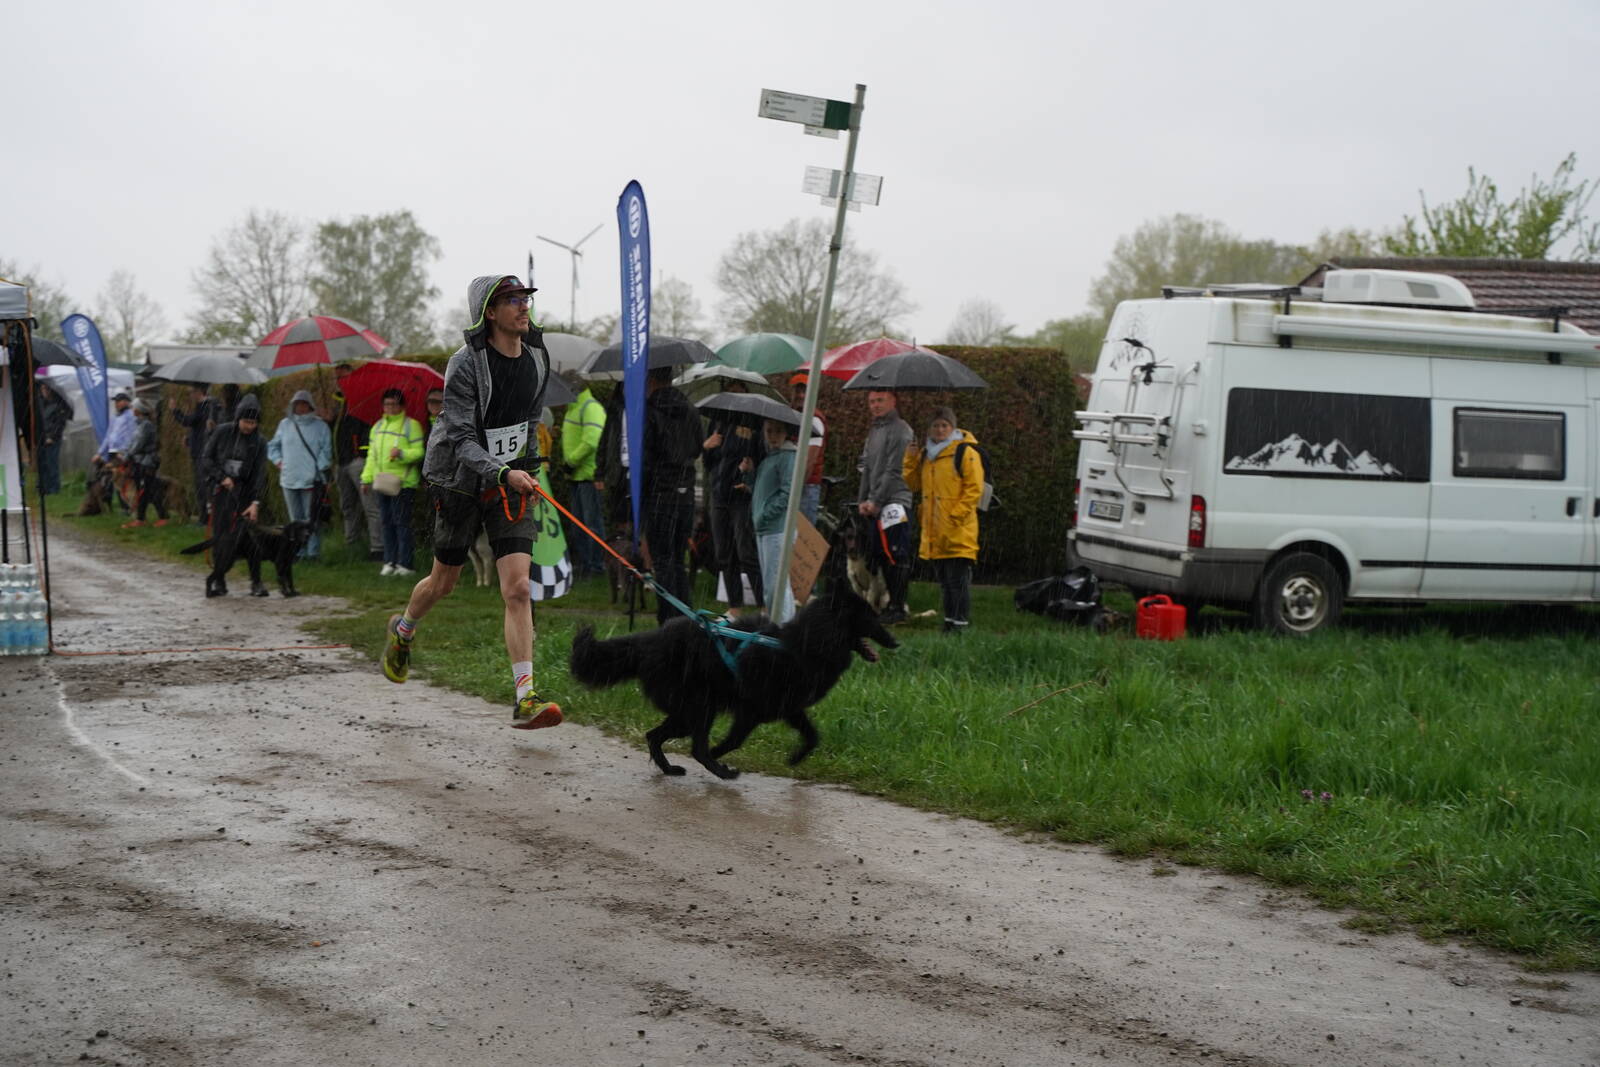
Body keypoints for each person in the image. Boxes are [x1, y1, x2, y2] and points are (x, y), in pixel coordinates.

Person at [381, 274, 562, 730]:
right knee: (444, 583)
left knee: (518, 588)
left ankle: (525, 697)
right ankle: (403, 630)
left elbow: (529, 422)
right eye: (512, 300)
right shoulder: (465, 364)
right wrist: (502, 471)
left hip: (510, 484)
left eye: (525, 299)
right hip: (460, 481)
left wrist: (528, 470)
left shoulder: (537, 356)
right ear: (489, 312)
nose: (524, 306)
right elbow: (461, 438)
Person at [903, 407, 984, 634]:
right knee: (945, 581)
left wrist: (955, 515)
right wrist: (910, 459)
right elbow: (913, 485)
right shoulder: (926, 455)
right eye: (935, 426)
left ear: (952, 427)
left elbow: (973, 489)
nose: (940, 430)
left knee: (957, 580)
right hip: (934, 528)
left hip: (958, 528)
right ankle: (949, 622)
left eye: (944, 425)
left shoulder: (965, 452)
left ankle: (960, 624)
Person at [640, 364, 704, 626]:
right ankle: (686, 617)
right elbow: (698, 447)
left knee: (663, 560)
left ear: (651, 379)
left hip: (660, 491)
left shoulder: (649, 411)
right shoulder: (691, 409)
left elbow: (646, 454)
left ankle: (668, 619)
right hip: (685, 491)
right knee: (678, 559)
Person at [701, 384, 764, 610]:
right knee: (724, 553)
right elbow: (709, 463)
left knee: (746, 552)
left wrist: (750, 470)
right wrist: (707, 447)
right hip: (719, 495)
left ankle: (764, 605)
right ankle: (735, 607)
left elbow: (761, 458)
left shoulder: (753, 426)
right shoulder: (717, 422)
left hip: (740, 496)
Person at [202, 393, 270, 598]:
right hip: (221, 493)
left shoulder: (260, 442)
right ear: (238, 418)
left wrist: (255, 502)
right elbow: (206, 459)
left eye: (253, 423)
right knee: (221, 537)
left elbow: (260, 474)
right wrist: (221, 477)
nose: (249, 426)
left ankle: (256, 581)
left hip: (246, 496)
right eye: (246, 421)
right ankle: (219, 579)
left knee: (251, 539)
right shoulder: (222, 432)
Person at [857, 388, 915, 624]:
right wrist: (862, 500)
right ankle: (890, 605)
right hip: (875, 503)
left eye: (880, 400)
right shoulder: (874, 430)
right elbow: (867, 467)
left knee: (895, 555)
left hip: (896, 501)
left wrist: (876, 501)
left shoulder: (901, 430)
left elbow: (894, 470)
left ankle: (898, 607)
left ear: (893, 400)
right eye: (871, 401)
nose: (875, 405)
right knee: (880, 555)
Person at [361, 387, 424, 576]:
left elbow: (420, 452)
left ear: (401, 406)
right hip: (382, 482)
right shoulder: (377, 427)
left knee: (401, 523)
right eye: (387, 404)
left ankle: (406, 564)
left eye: (394, 404)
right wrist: (366, 479)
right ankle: (390, 561)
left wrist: (402, 453)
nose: (390, 407)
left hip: (403, 483)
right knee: (386, 523)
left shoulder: (411, 425)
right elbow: (372, 456)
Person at [267, 388, 333, 560]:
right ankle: (298, 551)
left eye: (304, 404)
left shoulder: (321, 426)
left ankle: (313, 552)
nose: (301, 407)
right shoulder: (284, 425)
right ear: (293, 406)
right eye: (298, 404)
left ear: (310, 406)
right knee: (295, 519)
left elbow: (326, 451)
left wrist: (317, 469)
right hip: (289, 479)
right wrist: (279, 461)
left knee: (311, 518)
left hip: (311, 480)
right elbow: (272, 446)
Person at [327, 364, 383, 558]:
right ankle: (352, 544)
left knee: (370, 506)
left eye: (343, 377)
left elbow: (369, 426)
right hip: (341, 462)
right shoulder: (338, 402)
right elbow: (339, 431)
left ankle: (378, 548)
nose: (339, 382)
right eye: (337, 378)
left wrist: (362, 452)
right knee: (348, 506)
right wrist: (330, 420)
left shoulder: (363, 398)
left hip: (358, 461)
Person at [748, 417, 799, 623]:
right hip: (765, 528)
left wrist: (766, 514)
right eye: (769, 431)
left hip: (777, 529)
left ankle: (781, 628)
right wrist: (748, 473)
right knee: (777, 585)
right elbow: (760, 491)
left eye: (778, 431)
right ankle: (786, 627)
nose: (773, 436)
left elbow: (789, 493)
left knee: (775, 586)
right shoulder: (771, 457)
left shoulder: (787, 457)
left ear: (786, 433)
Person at [559, 372, 606, 576]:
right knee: (579, 525)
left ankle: (596, 566)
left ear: (573, 388)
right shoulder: (574, 408)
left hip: (588, 475)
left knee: (591, 524)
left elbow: (592, 440)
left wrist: (571, 462)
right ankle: (586, 564)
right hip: (577, 476)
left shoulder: (590, 407)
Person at [172, 384, 219, 523]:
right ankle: (205, 518)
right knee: (201, 486)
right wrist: (189, 440)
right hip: (199, 451)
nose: (190, 395)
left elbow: (188, 421)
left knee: (203, 487)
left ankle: (206, 519)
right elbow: (198, 427)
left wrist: (175, 410)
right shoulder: (205, 407)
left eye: (192, 392)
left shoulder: (206, 406)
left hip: (202, 454)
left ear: (199, 392)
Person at [122, 398, 169, 528]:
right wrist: (127, 453)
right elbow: (133, 442)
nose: (132, 410)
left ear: (138, 410)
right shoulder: (139, 425)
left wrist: (127, 456)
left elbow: (139, 444)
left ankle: (162, 517)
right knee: (144, 491)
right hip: (140, 462)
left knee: (149, 491)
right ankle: (141, 518)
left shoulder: (146, 425)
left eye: (133, 408)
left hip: (147, 463)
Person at [788, 372, 827, 524]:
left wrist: (794, 489)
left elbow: (809, 461)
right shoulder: (792, 415)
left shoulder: (814, 420)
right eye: (797, 391)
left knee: (802, 534)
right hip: (792, 484)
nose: (801, 395)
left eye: (805, 391)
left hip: (805, 486)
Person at [34, 379, 71, 496]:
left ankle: (54, 488)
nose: (44, 391)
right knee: (43, 464)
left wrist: (52, 437)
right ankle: (44, 488)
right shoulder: (40, 403)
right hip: (41, 438)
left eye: (46, 389)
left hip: (53, 439)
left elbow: (60, 423)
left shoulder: (58, 404)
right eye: (42, 389)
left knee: (52, 464)